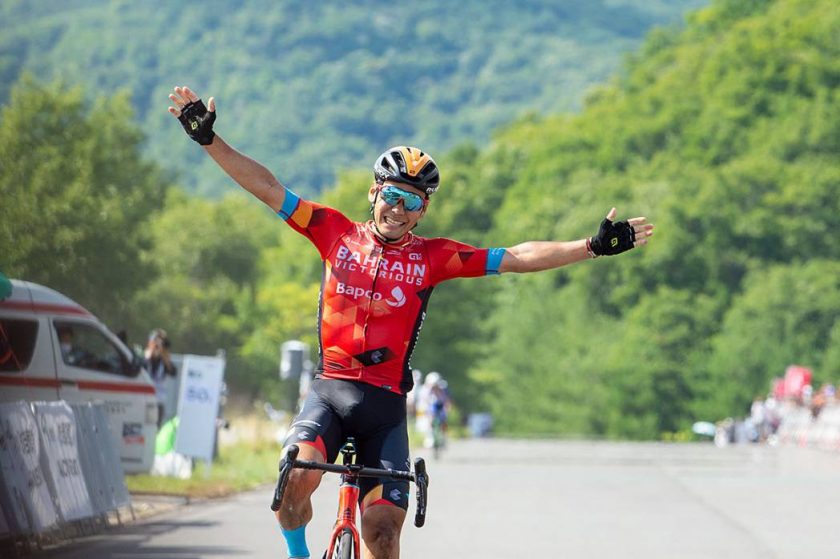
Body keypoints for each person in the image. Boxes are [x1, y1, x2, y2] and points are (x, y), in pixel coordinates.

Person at [168, 85, 654, 559]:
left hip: (384, 407)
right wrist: (210, 141)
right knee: (294, 479)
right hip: (330, 393)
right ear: (374, 193)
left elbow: (517, 257)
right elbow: (268, 188)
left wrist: (589, 247)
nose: (398, 210)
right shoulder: (332, 231)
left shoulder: (435, 258)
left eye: (413, 202)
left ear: (424, 211)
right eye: (393, 196)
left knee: (382, 536)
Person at [143, 328, 176, 427]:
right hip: (141, 400)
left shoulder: (163, 361)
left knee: (153, 430)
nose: (158, 346)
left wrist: (165, 356)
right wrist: (147, 356)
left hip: (157, 402)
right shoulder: (144, 357)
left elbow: (173, 372)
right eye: (156, 343)